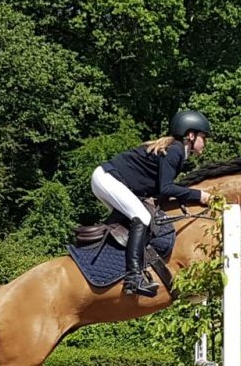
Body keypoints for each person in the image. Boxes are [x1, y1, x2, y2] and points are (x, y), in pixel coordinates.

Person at [91, 109, 212, 298]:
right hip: (108, 179)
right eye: (203, 137)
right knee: (142, 217)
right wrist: (199, 195)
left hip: (106, 179)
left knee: (130, 224)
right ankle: (133, 278)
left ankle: (109, 264)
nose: (205, 142)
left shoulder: (175, 150)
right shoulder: (175, 151)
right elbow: (166, 188)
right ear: (191, 135)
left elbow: (159, 189)